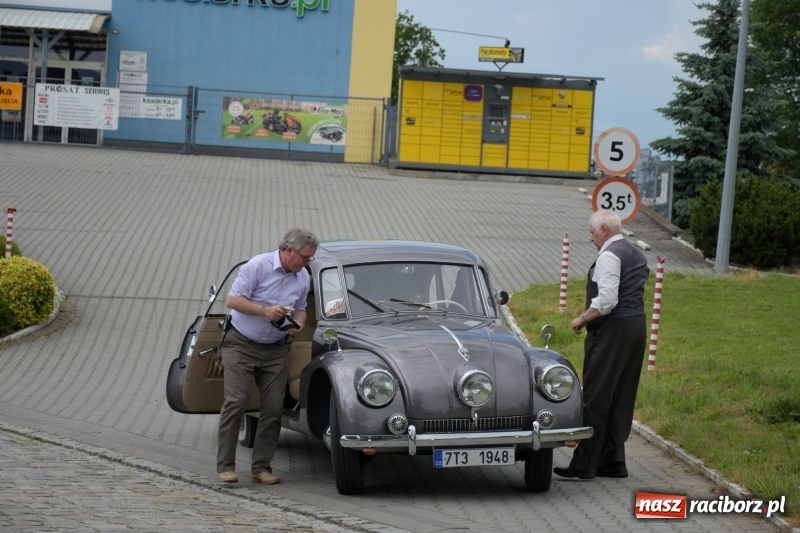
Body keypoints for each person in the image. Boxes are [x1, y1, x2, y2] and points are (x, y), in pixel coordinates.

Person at [216, 228, 319, 484]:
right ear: (288, 250)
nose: (308, 263)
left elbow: (301, 309)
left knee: (273, 408)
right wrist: (263, 311)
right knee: (236, 402)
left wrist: (299, 324)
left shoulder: (303, 276)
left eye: (310, 259)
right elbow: (232, 300)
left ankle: (261, 468)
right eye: (305, 257)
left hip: (276, 348)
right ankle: (226, 466)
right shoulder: (258, 265)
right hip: (241, 343)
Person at [553, 210, 649, 480]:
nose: (591, 238)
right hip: (636, 327)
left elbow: (607, 300)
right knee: (620, 396)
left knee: (596, 395)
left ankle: (584, 465)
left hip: (612, 330)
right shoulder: (635, 253)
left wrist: (582, 318)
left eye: (592, 232)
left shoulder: (609, 255)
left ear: (604, 229)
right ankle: (613, 461)